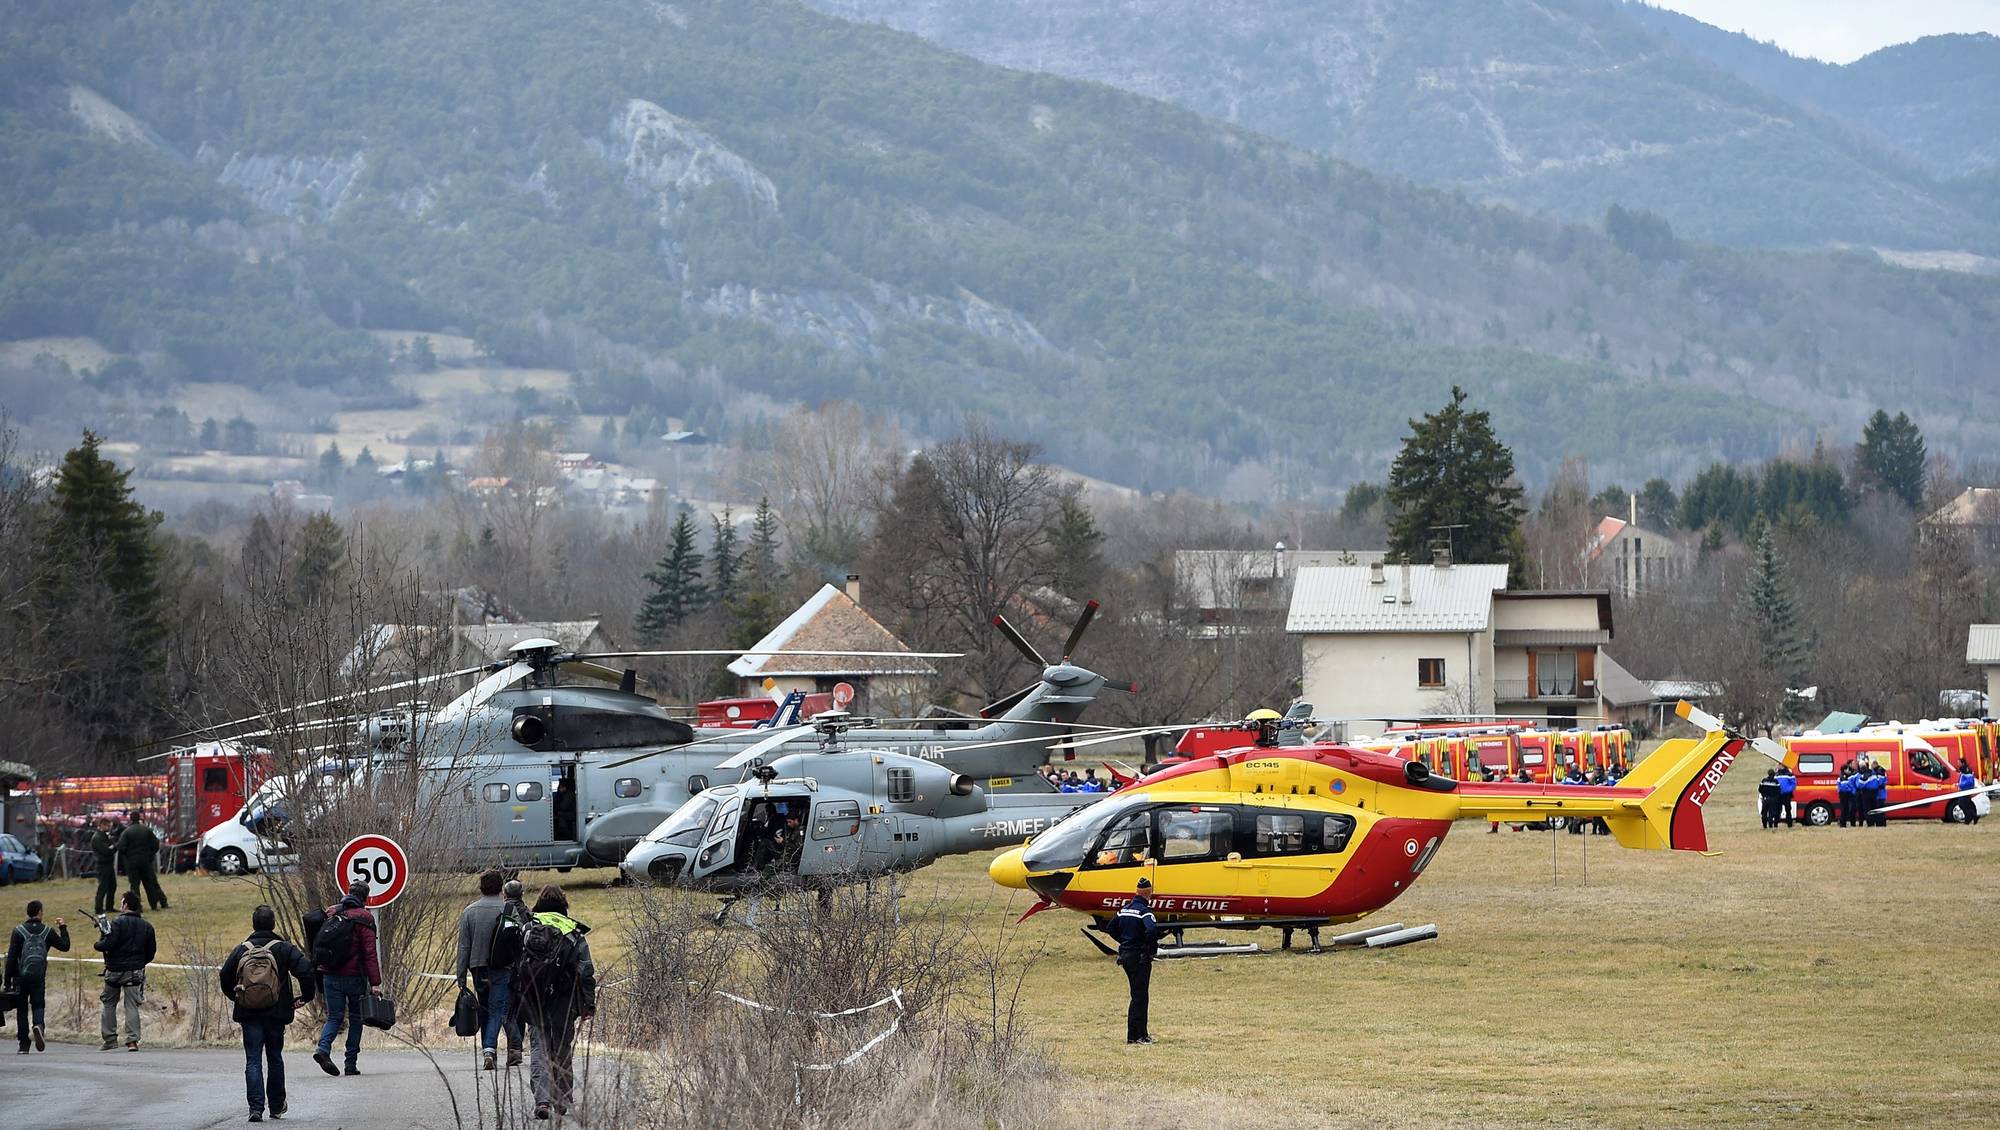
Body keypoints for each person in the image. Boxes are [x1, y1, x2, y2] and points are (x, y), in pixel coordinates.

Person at [219, 904, 316, 1123]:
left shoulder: (241, 949)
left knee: (252, 1060)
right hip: (276, 1013)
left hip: (249, 1013)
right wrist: (305, 997)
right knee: (274, 1057)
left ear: (253, 924)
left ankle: (255, 1108)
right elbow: (306, 971)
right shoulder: (283, 948)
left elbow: (225, 977)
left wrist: (237, 997)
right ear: (273, 924)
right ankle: (276, 1105)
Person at [513, 885, 596, 1120]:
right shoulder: (572, 932)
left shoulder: (528, 927)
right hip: (564, 1000)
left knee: (539, 1046)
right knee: (561, 1048)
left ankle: (542, 1100)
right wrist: (588, 1005)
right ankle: (562, 1097)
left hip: (533, 997)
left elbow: (517, 963)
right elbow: (586, 970)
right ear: (564, 904)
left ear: (539, 902)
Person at [312, 880, 381, 1077]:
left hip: (330, 974)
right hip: (354, 977)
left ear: (348, 893)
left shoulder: (333, 912)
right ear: (365, 898)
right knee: (356, 1019)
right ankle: (350, 1064)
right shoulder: (364, 918)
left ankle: (323, 1050)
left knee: (334, 1017)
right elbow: (369, 953)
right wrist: (375, 982)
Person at [455, 869, 515, 1071]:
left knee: (484, 1008)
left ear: (481, 888)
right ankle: (489, 1048)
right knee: (498, 1009)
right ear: (501, 888)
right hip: (503, 967)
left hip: (478, 967)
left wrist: (461, 976)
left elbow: (464, 947)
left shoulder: (469, 912)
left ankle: (487, 1050)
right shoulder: (508, 910)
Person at [7, 899, 70, 1054]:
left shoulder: (18, 931)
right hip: (38, 976)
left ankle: (23, 1044)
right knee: (38, 1005)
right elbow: (65, 946)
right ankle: (38, 1026)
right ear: (40, 912)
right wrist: (62, 927)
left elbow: (11, 957)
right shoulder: (47, 931)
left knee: (22, 1009)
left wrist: (7, 981)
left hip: (20, 977)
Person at [96, 890, 156, 1051]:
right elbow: (151, 952)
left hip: (114, 970)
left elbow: (107, 944)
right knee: (131, 1004)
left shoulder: (116, 923)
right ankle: (132, 1041)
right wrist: (140, 963)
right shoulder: (147, 927)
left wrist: (99, 941)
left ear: (125, 905)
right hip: (135, 971)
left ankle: (109, 1039)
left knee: (109, 1002)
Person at [1109, 876, 1160, 1045]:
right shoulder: (1145, 912)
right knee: (1140, 997)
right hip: (1139, 957)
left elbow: (1111, 927)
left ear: (1136, 893)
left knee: (1136, 995)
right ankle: (1138, 1036)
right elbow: (1152, 930)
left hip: (1126, 955)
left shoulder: (1125, 909)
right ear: (1149, 894)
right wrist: (1149, 948)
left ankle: (1136, 1035)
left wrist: (1125, 941)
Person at [498, 880, 531, 1066]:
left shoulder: (504, 912)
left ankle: (515, 1045)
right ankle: (515, 1049)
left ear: (505, 893)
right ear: (522, 894)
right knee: (518, 1011)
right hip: (526, 970)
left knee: (505, 1011)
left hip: (508, 969)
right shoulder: (529, 914)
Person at [116, 812, 168, 911]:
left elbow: (121, 847)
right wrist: (150, 854)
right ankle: (154, 904)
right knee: (149, 884)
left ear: (131, 819)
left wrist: (128, 856)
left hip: (132, 862)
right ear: (139, 818)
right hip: (146, 861)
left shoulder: (126, 832)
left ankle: (137, 907)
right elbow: (156, 844)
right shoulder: (146, 830)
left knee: (134, 885)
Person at [90, 816, 120, 915]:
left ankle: (109, 906)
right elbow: (106, 851)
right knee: (103, 887)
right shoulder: (97, 837)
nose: (109, 828)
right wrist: (113, 848)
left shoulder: (104, 836)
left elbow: (111, 846)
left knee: (112, 885)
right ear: (102, 825)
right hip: (102, 864)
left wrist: (113, 847)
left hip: (108, 864)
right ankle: (98, 908)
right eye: (107, 826)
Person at [1952, 761, 1980, 825]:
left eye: (1959, 762)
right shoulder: (1966, 769)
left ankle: (1972, 817)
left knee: (1962, 804)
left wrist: (1959, 785)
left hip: (1965, 790)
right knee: (1968, 804)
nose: (1957, 763)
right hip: (1966, 790)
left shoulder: (1964, 770)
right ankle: (1971, 818)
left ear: (1962, 763)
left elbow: (1967, 780)